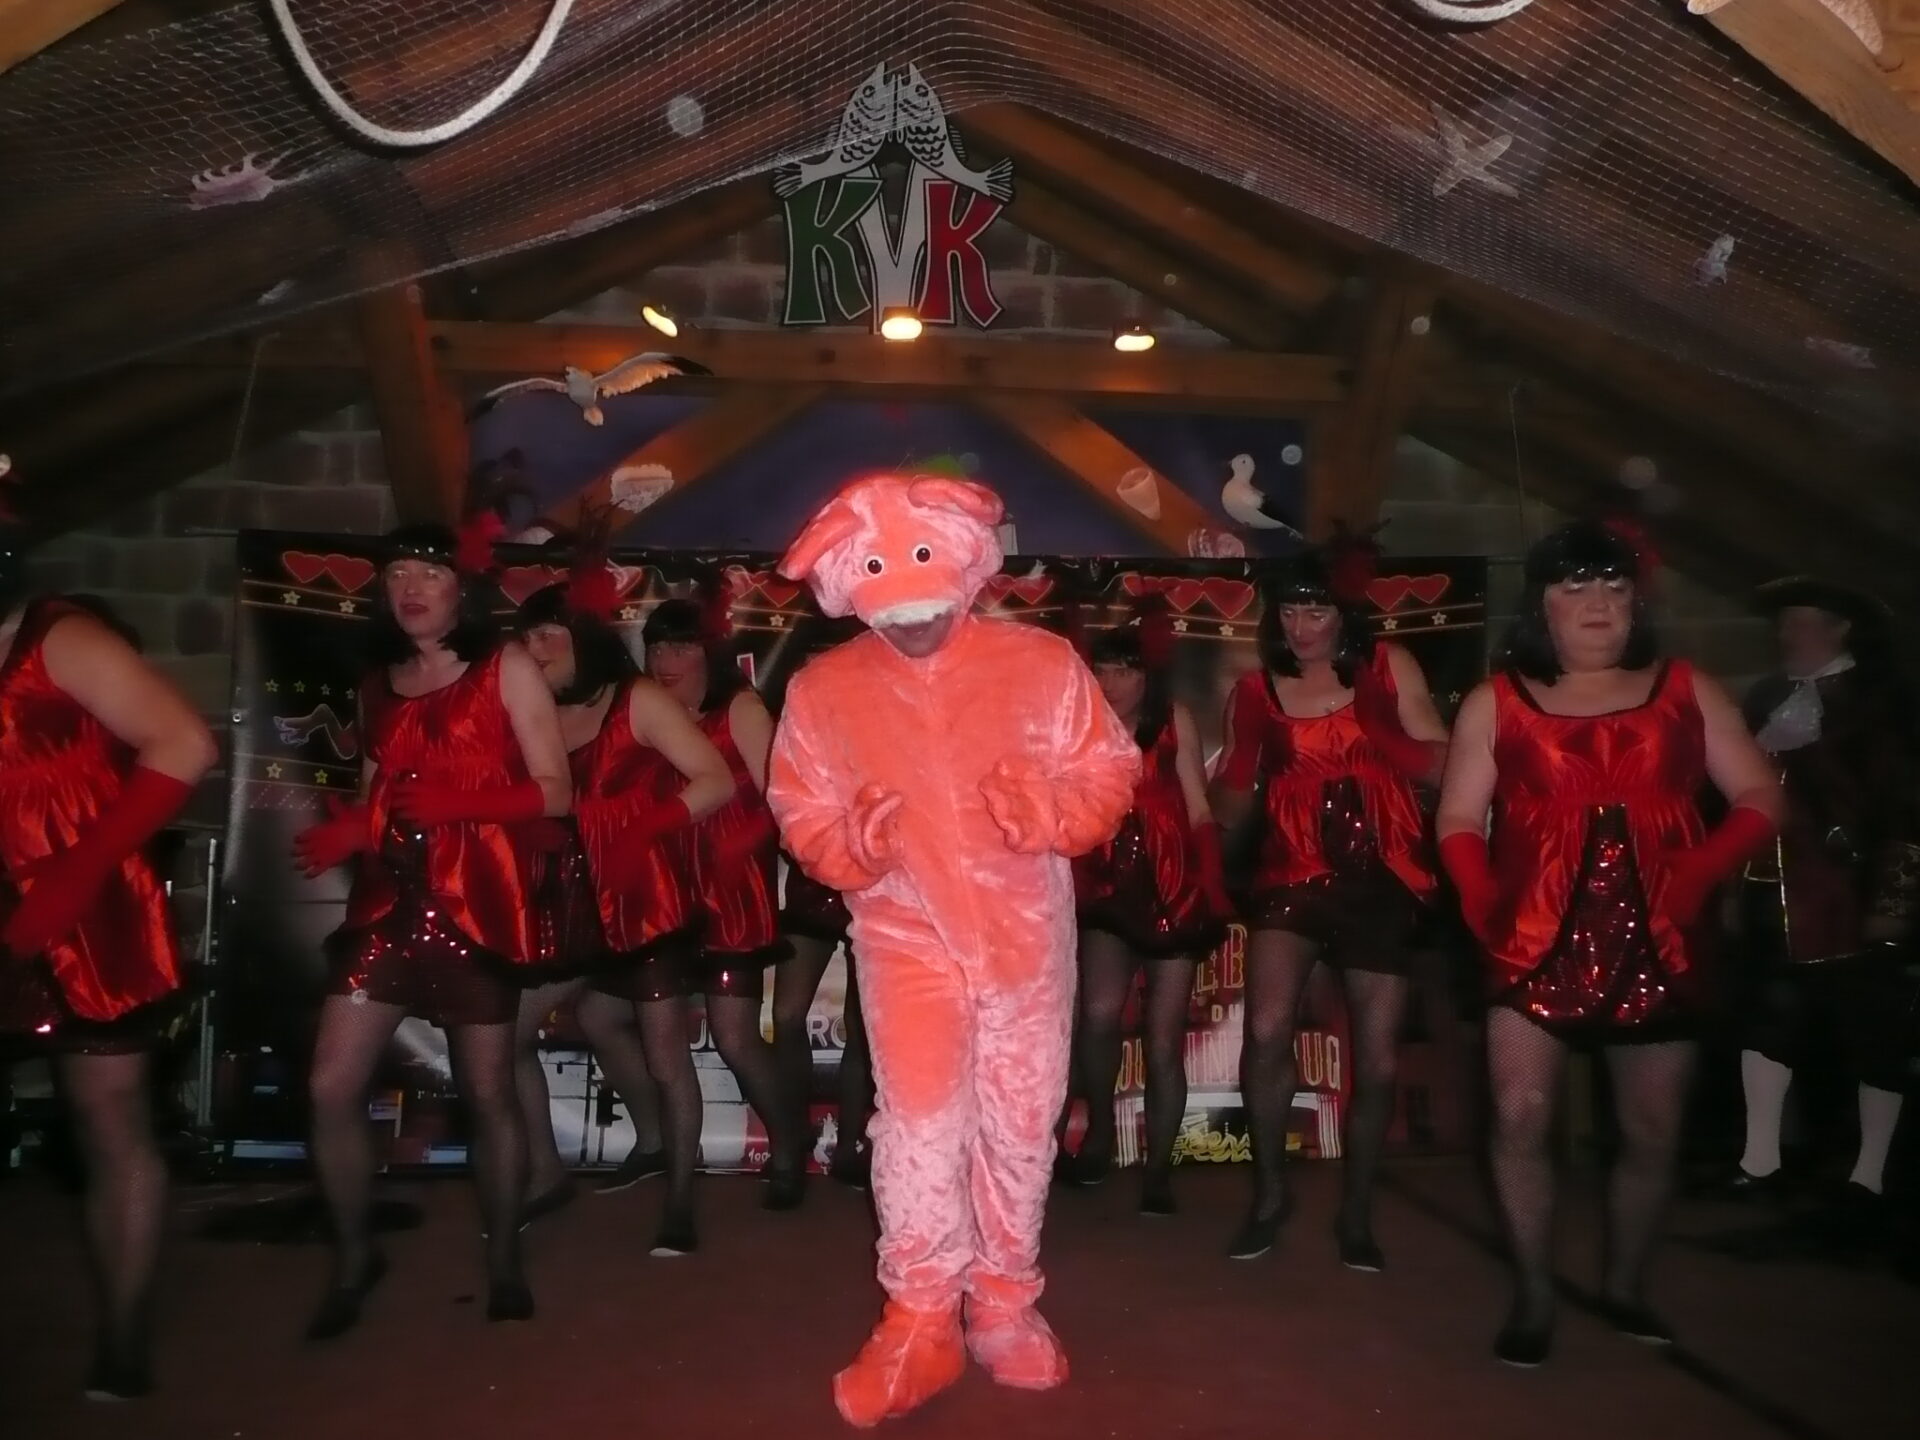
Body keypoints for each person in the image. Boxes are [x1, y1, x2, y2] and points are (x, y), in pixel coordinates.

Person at [769, 474, 1139, 1426]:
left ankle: (1004, 1301)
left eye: (925, 569)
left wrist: (1051, 813)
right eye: (881, 579)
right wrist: (853, 847)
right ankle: (922, 1316)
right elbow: (801, 811)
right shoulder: (824, 689)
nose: (913, 613)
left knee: (1020, 1123)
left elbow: (1108, 771)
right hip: (906, 936)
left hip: (1026, 938)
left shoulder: (1042, 663)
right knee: (921, 1127)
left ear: (968, 564)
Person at [1437, 520, 1781, 1366]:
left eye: (1614, 587)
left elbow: (1761, 794)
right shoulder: (1496, 699)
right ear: (1543, 605)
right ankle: (1533, 1292)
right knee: (1520, 1113)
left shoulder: (1688, 688)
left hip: (1661, 936)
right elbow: (1458, 815)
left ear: (1636, 602)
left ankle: (1626, 1285)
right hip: (1530, 936)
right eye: (1576, 586)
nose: (1597, 603)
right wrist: (1478, 892)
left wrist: (1703, 868)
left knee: (1652, 1127)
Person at [292, 521, 571, 1338]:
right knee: (329, 1086)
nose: (410, 588)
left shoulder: (505, 667)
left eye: (429, 573)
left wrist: (461, 804)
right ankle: (353, 1257)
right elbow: (376, 788)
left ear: (461, 589)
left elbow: (557, 790)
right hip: (388, 905)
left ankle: (505, 1256)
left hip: (476, 904)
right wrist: (354, 829)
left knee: (487, 1093)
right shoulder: (378, 682)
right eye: (397, 575)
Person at [0, 563, 217, 1400]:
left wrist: (67, 884)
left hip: (84, 910)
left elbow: (185, 743)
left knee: (109, 1121)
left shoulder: (56, 635)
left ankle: (123, 1338)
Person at [1210, 539, 1449, 1270]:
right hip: (1293, 870)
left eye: (1316, 611)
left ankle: (1357, 1210)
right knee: (1266, 1029)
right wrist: (1238, 766)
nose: (1301, 626)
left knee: (1375, 1058)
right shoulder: (1256, 688)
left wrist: (1384, 730)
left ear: (1344, 614)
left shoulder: (1390, 666)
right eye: (1289, 611)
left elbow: (1444, 767)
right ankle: (1269, 1196)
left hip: (1382, 874)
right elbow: (1229, 808)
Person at [511, 576, 736, 1226]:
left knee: (666, 1057)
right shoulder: (529, 705)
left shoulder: (637, 698)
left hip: (644, 900)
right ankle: (549, 1171)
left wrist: (642, 829)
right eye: (527, 636)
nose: (535, 648)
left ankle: (681, 1200)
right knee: (508, 1033)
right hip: (567, 901)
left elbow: (716, 780)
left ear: (583, 636)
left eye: (549, 633)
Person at [1729, 577, 1916, 1211]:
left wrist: (1892, 903)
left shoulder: (1878, 702)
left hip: (1847, 896)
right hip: (1771, 891)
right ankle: (1760, 1160)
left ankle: (1870, 1172)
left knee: (1872, 1032)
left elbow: (1903, 809)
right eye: (1784, 623)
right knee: (1768, 1020)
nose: (1788, 634)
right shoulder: (1767, 698)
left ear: (1841, 629)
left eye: (1802, 622)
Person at [639, 594, 806, 1219]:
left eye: (681, 645)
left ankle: (788, 1145)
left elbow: (782, 800)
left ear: (709, 651)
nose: (666, 659)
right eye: (657, 645)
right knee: (621, 1023)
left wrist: (735, 845)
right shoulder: (649, 710)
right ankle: (658, 1150)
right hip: (663, 892)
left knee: (735, 1039)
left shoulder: (738, 707)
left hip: (730, 895)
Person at [1057, 605, 1228, 1214]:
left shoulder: (1174, 720)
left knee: (1162, 1038)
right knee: (1098, 1015)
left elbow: (1199, 805)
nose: (1111, 682)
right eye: (1103, 670)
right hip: (1105, 884)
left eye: (1125, 671)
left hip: (1171, 884)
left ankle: (1159, 1169)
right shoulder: (1077, 726)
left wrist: (1210, 878)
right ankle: (1100, 1134)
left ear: (1147, 676)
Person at [763, 613, 875, 1191]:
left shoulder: (884, 718)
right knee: (786, 1015)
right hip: (813, 882)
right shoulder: (793, 727)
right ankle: (791, 1140)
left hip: (874, 883)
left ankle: (852, 1142)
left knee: (863, 1026)